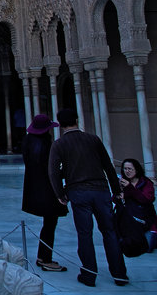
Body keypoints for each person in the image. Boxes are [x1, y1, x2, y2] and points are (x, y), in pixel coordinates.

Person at [48, 109, 128, 287]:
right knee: (110, 232)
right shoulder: (93, 139)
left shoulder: (59, 144)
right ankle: (120, 274)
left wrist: (60, 194)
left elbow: (53, 172)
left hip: (78, 192)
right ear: (77, 120)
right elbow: (108, 165)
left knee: (85, 234)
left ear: (60, 125)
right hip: (100, 190)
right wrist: (116, 190)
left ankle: (89, 274)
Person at [21, 114, 68, 272]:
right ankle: (45, 258)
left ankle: (44, 256)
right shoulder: (46, 144)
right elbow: (52, 170)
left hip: (34, 188)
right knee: (50, 224)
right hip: (48, 189)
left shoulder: (28, 142)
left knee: (48, 225)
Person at [119, 158, 157, 253]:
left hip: (144, 220)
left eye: (130, 169)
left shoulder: (146, 183)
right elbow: (115, 199)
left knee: (146, 248)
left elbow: (146, 200)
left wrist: (130, 188)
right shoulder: (122, 182)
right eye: (125, 169)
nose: (127, 171)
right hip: (128, 220)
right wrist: (119, 195)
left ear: (136, 169)